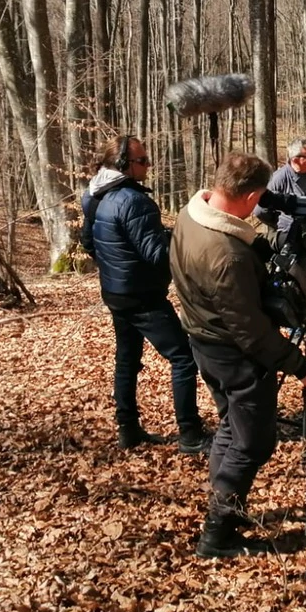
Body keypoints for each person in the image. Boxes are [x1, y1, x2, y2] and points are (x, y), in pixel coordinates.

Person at [170, 152, 306, 558]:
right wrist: (304, 367)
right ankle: (217, 533)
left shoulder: (191, 215)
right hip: (233, 353)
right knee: (253, 442)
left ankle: (227, 509)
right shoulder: (227, 255)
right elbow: (253, 333)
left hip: (204, 341)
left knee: (231, 427)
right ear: (254, 194)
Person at [81, 136, 212, 454]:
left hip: (115, 291)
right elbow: (156, 254)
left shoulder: (94, 195)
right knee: (183, 357)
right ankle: (190, 434)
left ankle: (128, 430)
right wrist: (180, 243)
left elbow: (88, 242)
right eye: (142, 161)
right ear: (124, 165)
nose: (147, 165)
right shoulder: (134, 201)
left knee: (127, 359)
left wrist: (115, 265)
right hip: (142, 295)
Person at [254, 137, 306, 242]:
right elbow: (260, 210)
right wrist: (281, 222)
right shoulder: (278, 179)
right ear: (295, 160)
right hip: (289, 238)